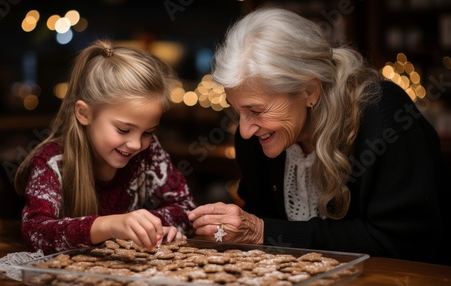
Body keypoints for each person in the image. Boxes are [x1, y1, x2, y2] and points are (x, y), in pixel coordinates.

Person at [188, 7, 451, 265]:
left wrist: (264, 232)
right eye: (237, 111)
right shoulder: (257, 137)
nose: (245, 130)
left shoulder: (384, 116)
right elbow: (262, 223)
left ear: (310, 91)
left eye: (256, 110)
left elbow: (405, 244)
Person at [14, 39, 197, 255]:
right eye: (123, 130)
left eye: (148, 132)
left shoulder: (149, 153)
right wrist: (110, 226)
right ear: (84, 113)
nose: (137, 144)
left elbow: (187, 210)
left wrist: (153, 227)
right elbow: (35, 233)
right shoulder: (52, 162)